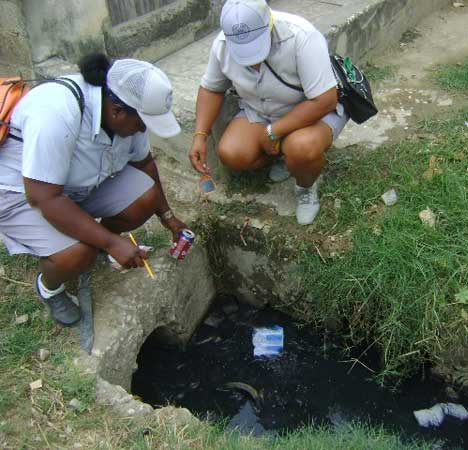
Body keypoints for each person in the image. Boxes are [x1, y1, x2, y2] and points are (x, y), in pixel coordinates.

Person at [0, 53, 187, 327]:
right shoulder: (57, 111)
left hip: (72, 189)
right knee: (78, 254)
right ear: (117, 111)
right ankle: (49, 287)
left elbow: (145, 164)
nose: (143, 130)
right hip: (21, 196)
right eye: (142, 123)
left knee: (145, 196)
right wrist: (112, 242)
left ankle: (94, 242)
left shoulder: (127, 114)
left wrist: (168, 217)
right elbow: (43, 197)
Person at [188, 0, 348, 225]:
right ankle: (285, 157)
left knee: (301, 149)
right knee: (232, 153)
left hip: (313, 112)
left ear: (269, 24)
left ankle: (306, 185)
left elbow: (325, 100)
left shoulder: (301, 36)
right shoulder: (222, 44)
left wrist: (275, 130)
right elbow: (211, 88)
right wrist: (200, 135)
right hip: (261, 111)